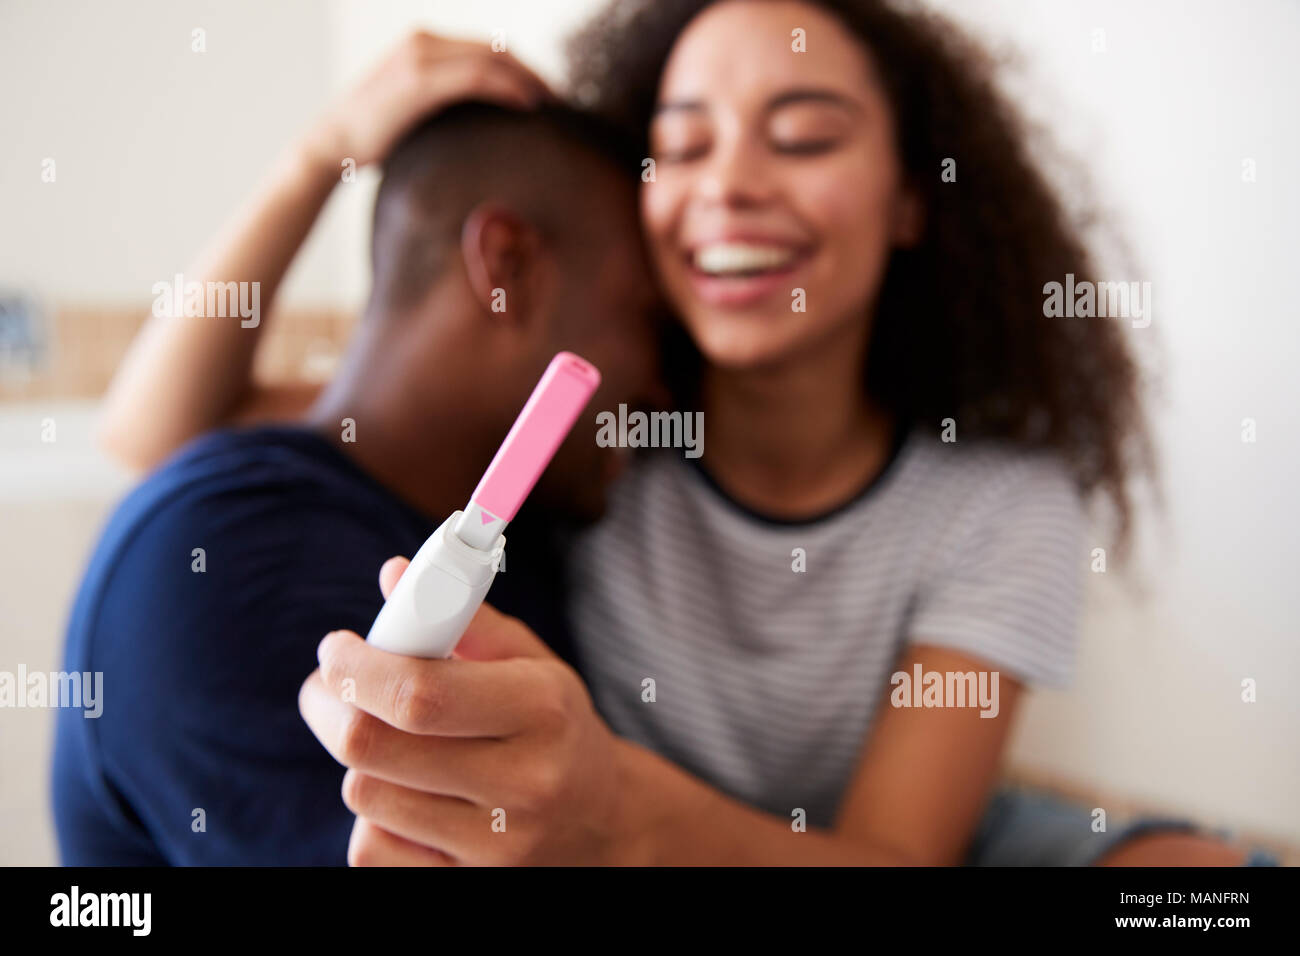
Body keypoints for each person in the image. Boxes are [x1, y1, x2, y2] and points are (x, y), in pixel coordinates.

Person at [95, 9, 1267, 866]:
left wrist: (624, 809)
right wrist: (321, 149)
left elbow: (897, 854)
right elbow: (157, 439)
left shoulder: (996, 501)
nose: (731, 184)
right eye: (684, 143)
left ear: (915, 197)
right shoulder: (595, 432)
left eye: (802, 136)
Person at [52, 87, 661, 864]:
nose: (666, 388)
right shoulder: (227, 559)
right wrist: (318, 151)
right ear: (507, 266)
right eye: (645, 315)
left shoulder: (485, 499)